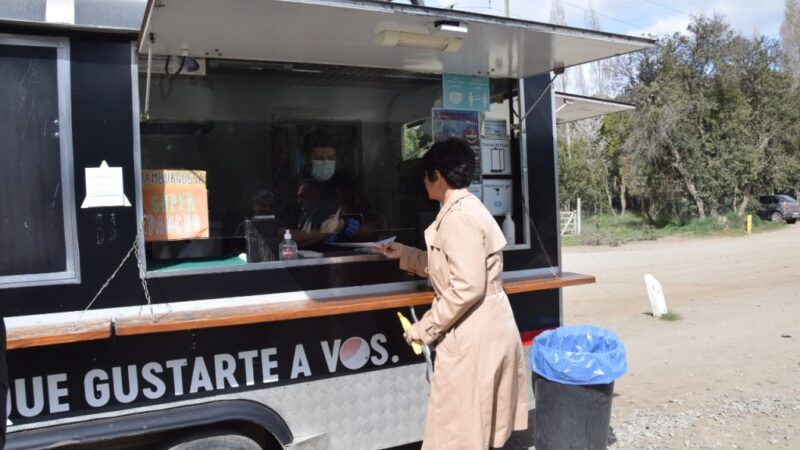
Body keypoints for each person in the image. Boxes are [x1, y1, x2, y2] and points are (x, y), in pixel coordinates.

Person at [382, 138, 528, 449]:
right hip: (487, 326)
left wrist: (425, 328)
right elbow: (448, 266)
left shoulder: (458, 218)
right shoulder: (468, 207)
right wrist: (405, 254)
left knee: (457, 433)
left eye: (425, 175)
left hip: (473, 334)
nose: (423, 181)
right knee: (476, 429)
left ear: (438, 176)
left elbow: (466, 286)